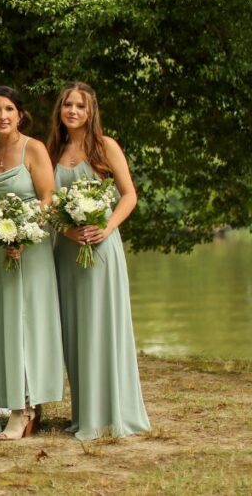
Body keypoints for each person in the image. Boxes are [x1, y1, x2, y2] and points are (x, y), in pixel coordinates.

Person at [48, 81, 150, 440]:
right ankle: (85, 413)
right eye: (67, 105)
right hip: (66, 251)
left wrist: (105, 228)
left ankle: (113, 412)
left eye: (80, 106)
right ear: (59, 110)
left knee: (101, 325)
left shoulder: (105, 147)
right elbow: (48, 206)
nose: (73, 111)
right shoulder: (53, 152)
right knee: (75, 329)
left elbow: (129, 195)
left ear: (91, 112)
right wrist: (65, 230)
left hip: (100, 248)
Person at [0, 86, 64, 440]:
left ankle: (24, 409)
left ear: (20, 114)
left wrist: (24, 235)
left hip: (33, 247)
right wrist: (3, 237)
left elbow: (48, 199)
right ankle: (20, 402)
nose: (2, 116)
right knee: (8, 322)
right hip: (3, 250)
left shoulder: (34, 148)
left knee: (31, 321)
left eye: (9, 109)